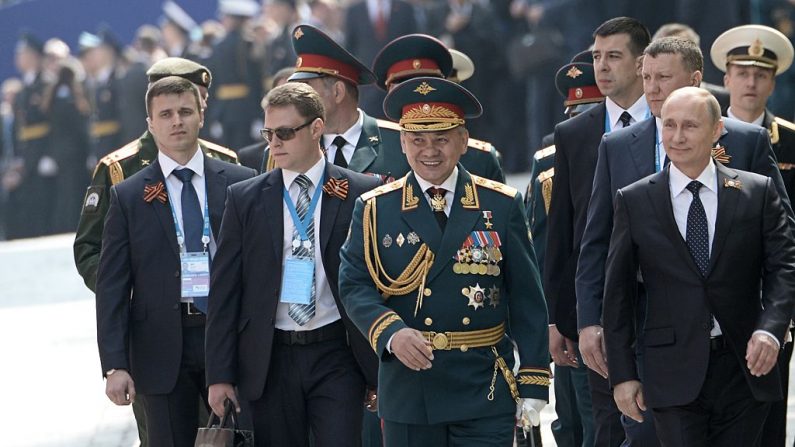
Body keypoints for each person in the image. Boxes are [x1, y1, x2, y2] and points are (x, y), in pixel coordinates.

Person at [576, 35, 794, 447]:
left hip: (744, 363)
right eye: (668, 127)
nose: (676, 136)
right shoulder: (636, 198)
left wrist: (772, 327)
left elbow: (783, 260)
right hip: (667, 362)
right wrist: (622, 374)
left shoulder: (754, 189)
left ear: (717, 131)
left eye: (689, 126)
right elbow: (615, 285)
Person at [339, 76, 549, 446]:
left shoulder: (500, 204)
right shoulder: (374, 208)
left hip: (483, 386)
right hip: (410, 388)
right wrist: (390, 333)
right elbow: (354, 284)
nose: (429, 151)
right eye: (417, 139)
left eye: (441, 138)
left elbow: (527, 297)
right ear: (402, 142)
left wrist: (533, 380)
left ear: (463, 140)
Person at [74, 58, 239, 447]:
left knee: (234, 438)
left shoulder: (231, 171)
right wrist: (139, 299)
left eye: (187, 109)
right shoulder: (123, 178)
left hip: (223, 333)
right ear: (150, 118)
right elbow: (99, 261)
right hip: (158, 337)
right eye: (165, 113)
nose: (177, 120)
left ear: (201, 110)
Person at [205, 82, 380, 446]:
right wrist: (219, 374)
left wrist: (377, 370)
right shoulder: (245, 198)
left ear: (317, 128)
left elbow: (376, 281)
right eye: (268, 133)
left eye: (285, 132)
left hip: (336, 353)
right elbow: (225, 291)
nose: (275, 144)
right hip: (270, 357)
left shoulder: (361, 192)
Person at [544, 17, 650, 447]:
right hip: (600, 308)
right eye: (596, 57)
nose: (601, 68)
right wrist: (559, 318)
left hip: (660, 304)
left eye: (613, 57)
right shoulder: (574, 133)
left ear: (641, 62)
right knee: (605, 427)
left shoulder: (671, 123)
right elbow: (564, 233)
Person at [710, 23, 795, 446]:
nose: (750, 82)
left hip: (772, 296)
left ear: (773, 83)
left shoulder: (791, 141)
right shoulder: (703, 135)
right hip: (718, 293)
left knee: (769, 412)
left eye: (760, 74)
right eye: (741, 72)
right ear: (725, 79)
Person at [526, 55, 604, 447]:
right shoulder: (548, 161)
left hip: (605, 310)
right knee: (571, 419)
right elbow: (544, 245)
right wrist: (552, 318)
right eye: (574, 113)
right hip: (570, 312)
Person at [371, 33, 505, 182]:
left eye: (427, 84)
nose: (418, 93)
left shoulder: (480, 159)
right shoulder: (372, 154)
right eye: (405, 87)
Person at [206, 0, 263, 149]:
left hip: (224, 111)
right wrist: (258, 115)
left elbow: (212, 84)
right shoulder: (248, 44)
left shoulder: (218, 46)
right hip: (246, 110)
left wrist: (214, 116)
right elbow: (255, 82)